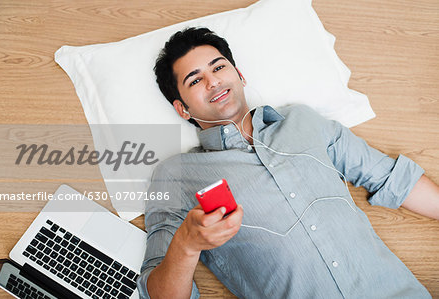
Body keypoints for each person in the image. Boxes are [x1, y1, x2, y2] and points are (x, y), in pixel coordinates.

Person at [136, 27, 438, 299]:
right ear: (182, 109)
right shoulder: (175, 176)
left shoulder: (302, 120)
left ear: (239, 75)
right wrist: (186, 245)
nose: (213, 81)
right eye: (196, 80)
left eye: (218, 67)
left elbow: (391, 178)